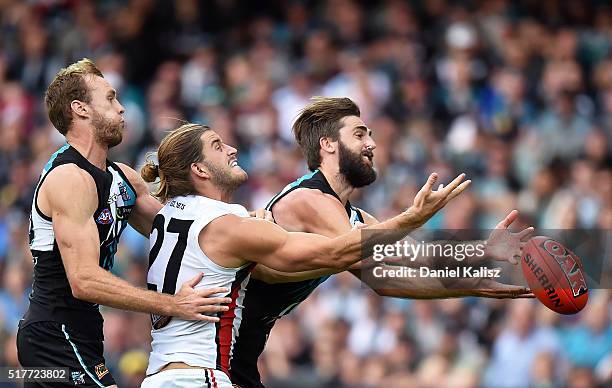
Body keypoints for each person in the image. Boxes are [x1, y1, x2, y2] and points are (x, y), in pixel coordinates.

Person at [228, 97, 534, 387]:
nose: (371, 143)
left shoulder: (353, 217)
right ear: (328, 144)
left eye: (370, 135)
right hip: (214, 340)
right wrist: (414, 217)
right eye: (360, 134)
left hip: (239, 349)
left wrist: (481, 259)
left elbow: (400, 269)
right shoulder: (308, 199)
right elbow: (368, 259)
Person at [138, 122, 468, 388]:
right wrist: (411, 217)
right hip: (204, 375)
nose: (232, 149)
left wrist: (483, 263)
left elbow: (406, 263)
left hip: (160, 376)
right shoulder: (238, 224)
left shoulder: (168, 215)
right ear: (200, 169)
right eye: (217, 146)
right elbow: (341, 254)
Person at [16, 59, 231, 388]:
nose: (122, 108)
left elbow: (178, 234)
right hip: (54, 335)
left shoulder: (123, 179)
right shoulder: (69, 178)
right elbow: (84, 280)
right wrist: (173, 304)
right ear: (80, 109)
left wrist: (241, 224)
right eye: (111, 99)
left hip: (80, 334)